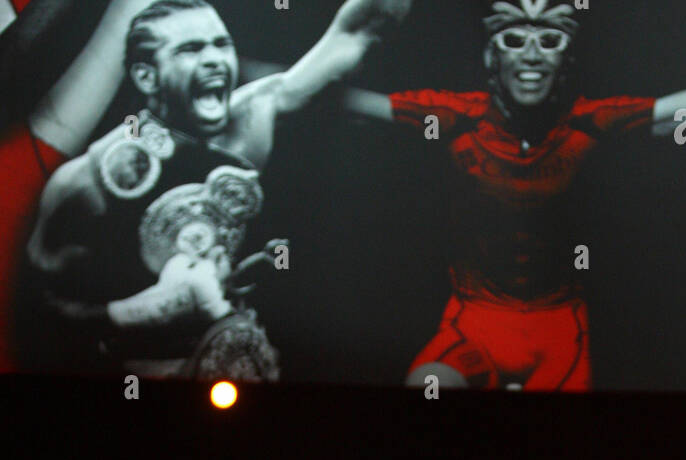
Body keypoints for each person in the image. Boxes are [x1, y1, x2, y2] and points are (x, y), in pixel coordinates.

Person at [340, 0, 686, 390]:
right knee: (424, 386)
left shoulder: (591, 121)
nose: (531, 56)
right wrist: (270, 90)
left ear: (565, 58)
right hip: (473, 322)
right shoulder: (453, 117)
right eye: (515, 41)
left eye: (548, 42)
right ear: (493, 57)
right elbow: (347, 105)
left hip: (559, 334)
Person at [22, 0, 411, 377]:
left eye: (221, 44)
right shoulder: (87, 182)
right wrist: (140, 310)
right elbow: (38, 312)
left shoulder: (249, 121)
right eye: (191, 49)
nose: (213, 58)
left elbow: (357, 30)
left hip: (239, 367)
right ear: (147, 76)